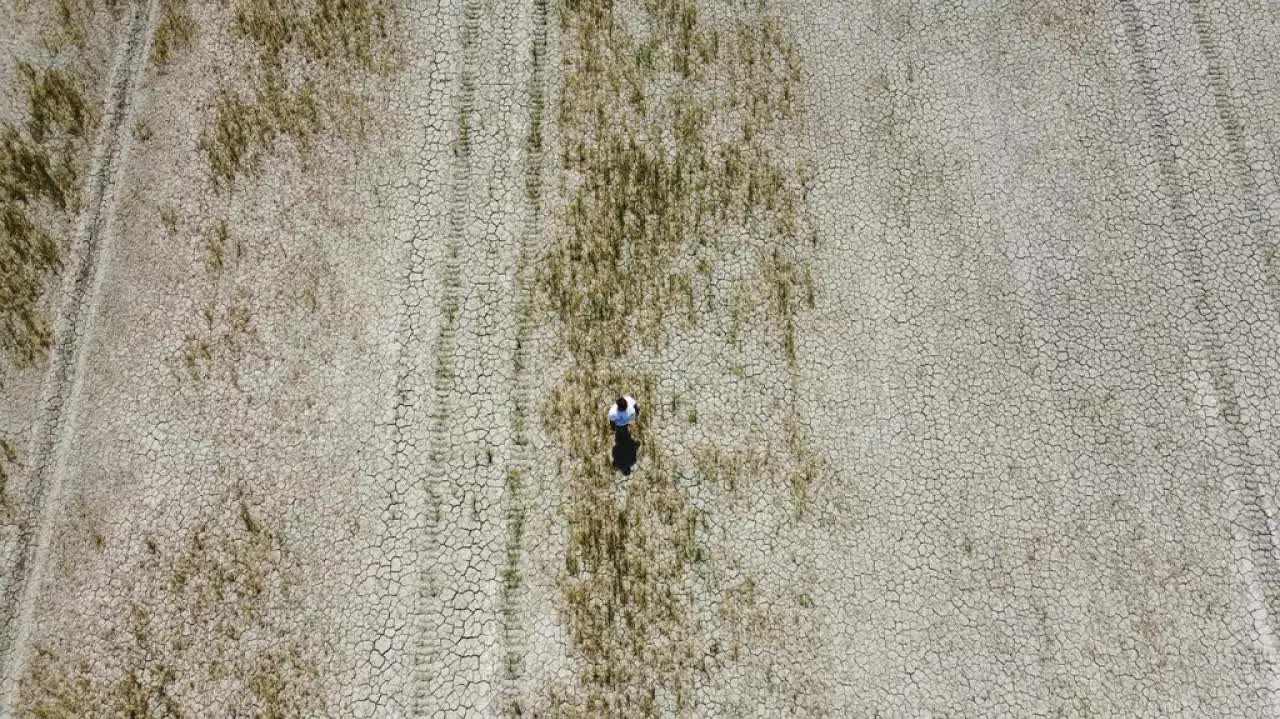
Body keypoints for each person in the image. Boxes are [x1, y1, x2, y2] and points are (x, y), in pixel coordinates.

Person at [607, 396, 639, 475]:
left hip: (621, 427)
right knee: (623, 434)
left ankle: (623, 439)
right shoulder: (618, 463)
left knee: (621, 434)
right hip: (623, 427)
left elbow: (634, 451)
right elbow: (614, 452)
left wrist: (613, 427)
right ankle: (623, 439)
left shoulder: (632, 462)